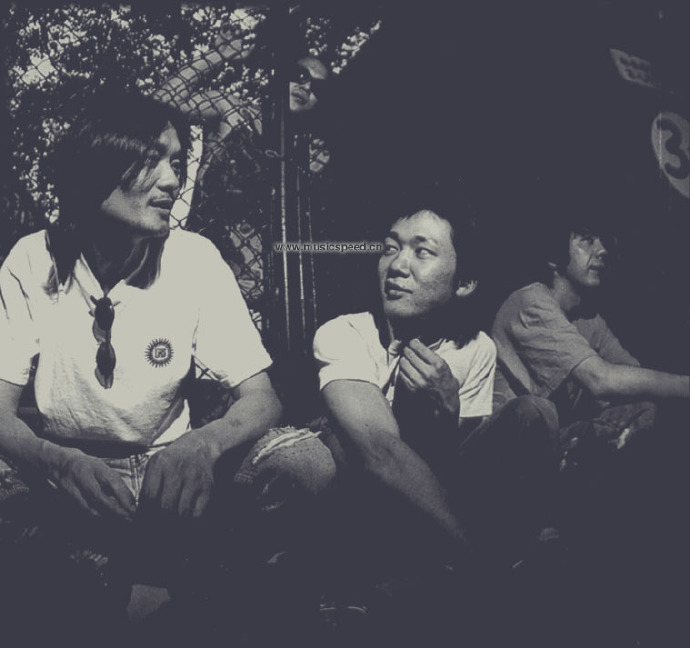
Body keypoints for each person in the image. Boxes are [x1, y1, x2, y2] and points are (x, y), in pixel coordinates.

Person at [0, 91, 334, 643]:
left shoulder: (193, 257)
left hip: (172, 474)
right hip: (73, 478)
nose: (173, 180)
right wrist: (60, 463)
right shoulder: (33, 258)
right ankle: (116, 592)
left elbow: (262, 396)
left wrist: (201, 446)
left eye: (176, 162)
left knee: (303, 462)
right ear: (100, 163)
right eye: (152, 159)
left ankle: (186, 592)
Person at [311, 194, 562, 603]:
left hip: (438, 498)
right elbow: (380, 452)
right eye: (390, 248)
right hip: (365, 509)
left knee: (535, 413)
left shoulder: (476, 348)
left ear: (463, 283)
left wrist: (449, 409)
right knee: (337, 447)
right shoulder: (344, 334)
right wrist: (479, 560)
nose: (397, 265)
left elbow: (461, 469)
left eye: (422, 251)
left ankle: (517, 554)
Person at [491, 208, 689, 466]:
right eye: (587, 240)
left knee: (645, 406)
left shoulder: (588, 318)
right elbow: (600, 379)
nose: (602, 250)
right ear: (554, 255)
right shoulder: (531, 302)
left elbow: (633, 375)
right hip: (504, 452)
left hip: (553, 442)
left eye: (604, 241)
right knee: (535, 411)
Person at [153, 22, 330, 307]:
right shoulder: (233, 111)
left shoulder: (310, 153)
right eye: (298, 75)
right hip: (201, 273)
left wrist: (308, 176)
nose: (305, 86)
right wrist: (217, 56)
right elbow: (161, 103)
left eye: (318, 87)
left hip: (262, 296)